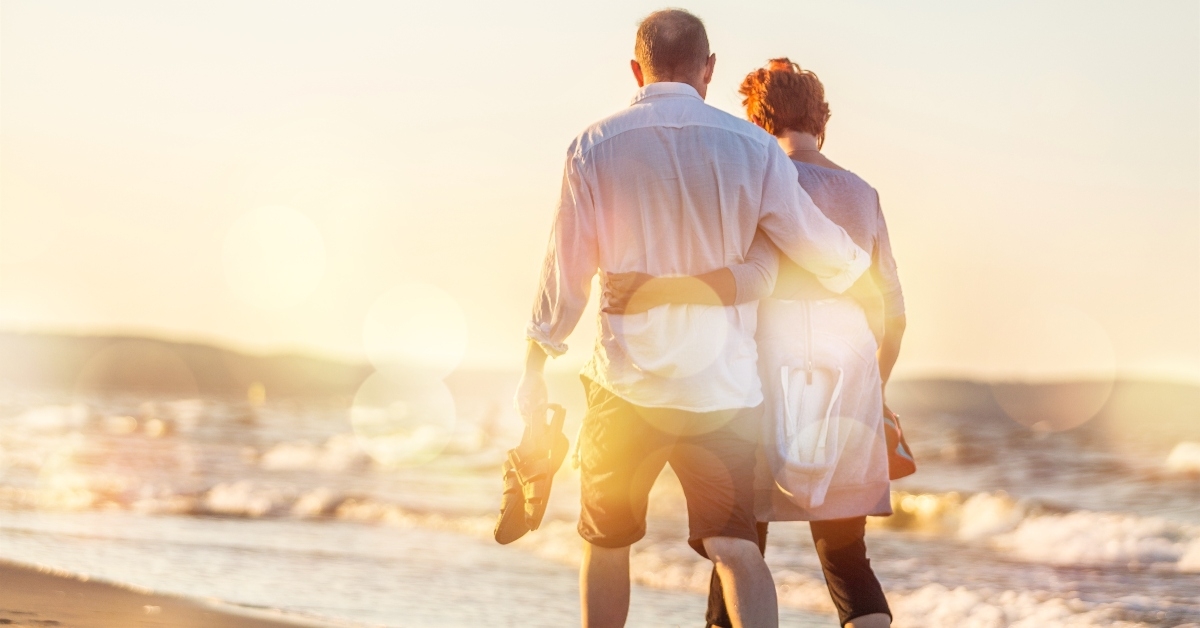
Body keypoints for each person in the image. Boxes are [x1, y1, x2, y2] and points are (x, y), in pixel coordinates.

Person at [515, 11, 871, 628]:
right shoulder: (755, 148)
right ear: (709, 69)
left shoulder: (593, 146)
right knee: (733, 548)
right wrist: (856, 261)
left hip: (625, 385)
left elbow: (563, 275)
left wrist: (535, 361)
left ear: (635, 69)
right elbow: (825, 253)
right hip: (723, 392)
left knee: (606, 542)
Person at [603, 59, 905, 628]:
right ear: (821, 117)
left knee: (740, 544)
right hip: (851, 366)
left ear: (757, 118)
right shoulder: (863, 194)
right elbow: (892, 311)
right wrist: (875, 392)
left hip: (763, 367)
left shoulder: (755, 177)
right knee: (844, 554)